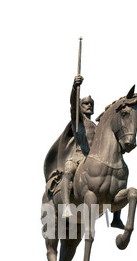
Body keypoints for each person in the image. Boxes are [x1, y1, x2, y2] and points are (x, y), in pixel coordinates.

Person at [61, 74, 96, 218]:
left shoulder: (97, 126)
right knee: (68, 171)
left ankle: (116, 216)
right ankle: (66, 207)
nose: (89, 105)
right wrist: (75, 87)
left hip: (93, 159)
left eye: (91, 104)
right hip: (78, 156)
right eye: (85, 103)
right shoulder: (78, 121)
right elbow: (73, 103)